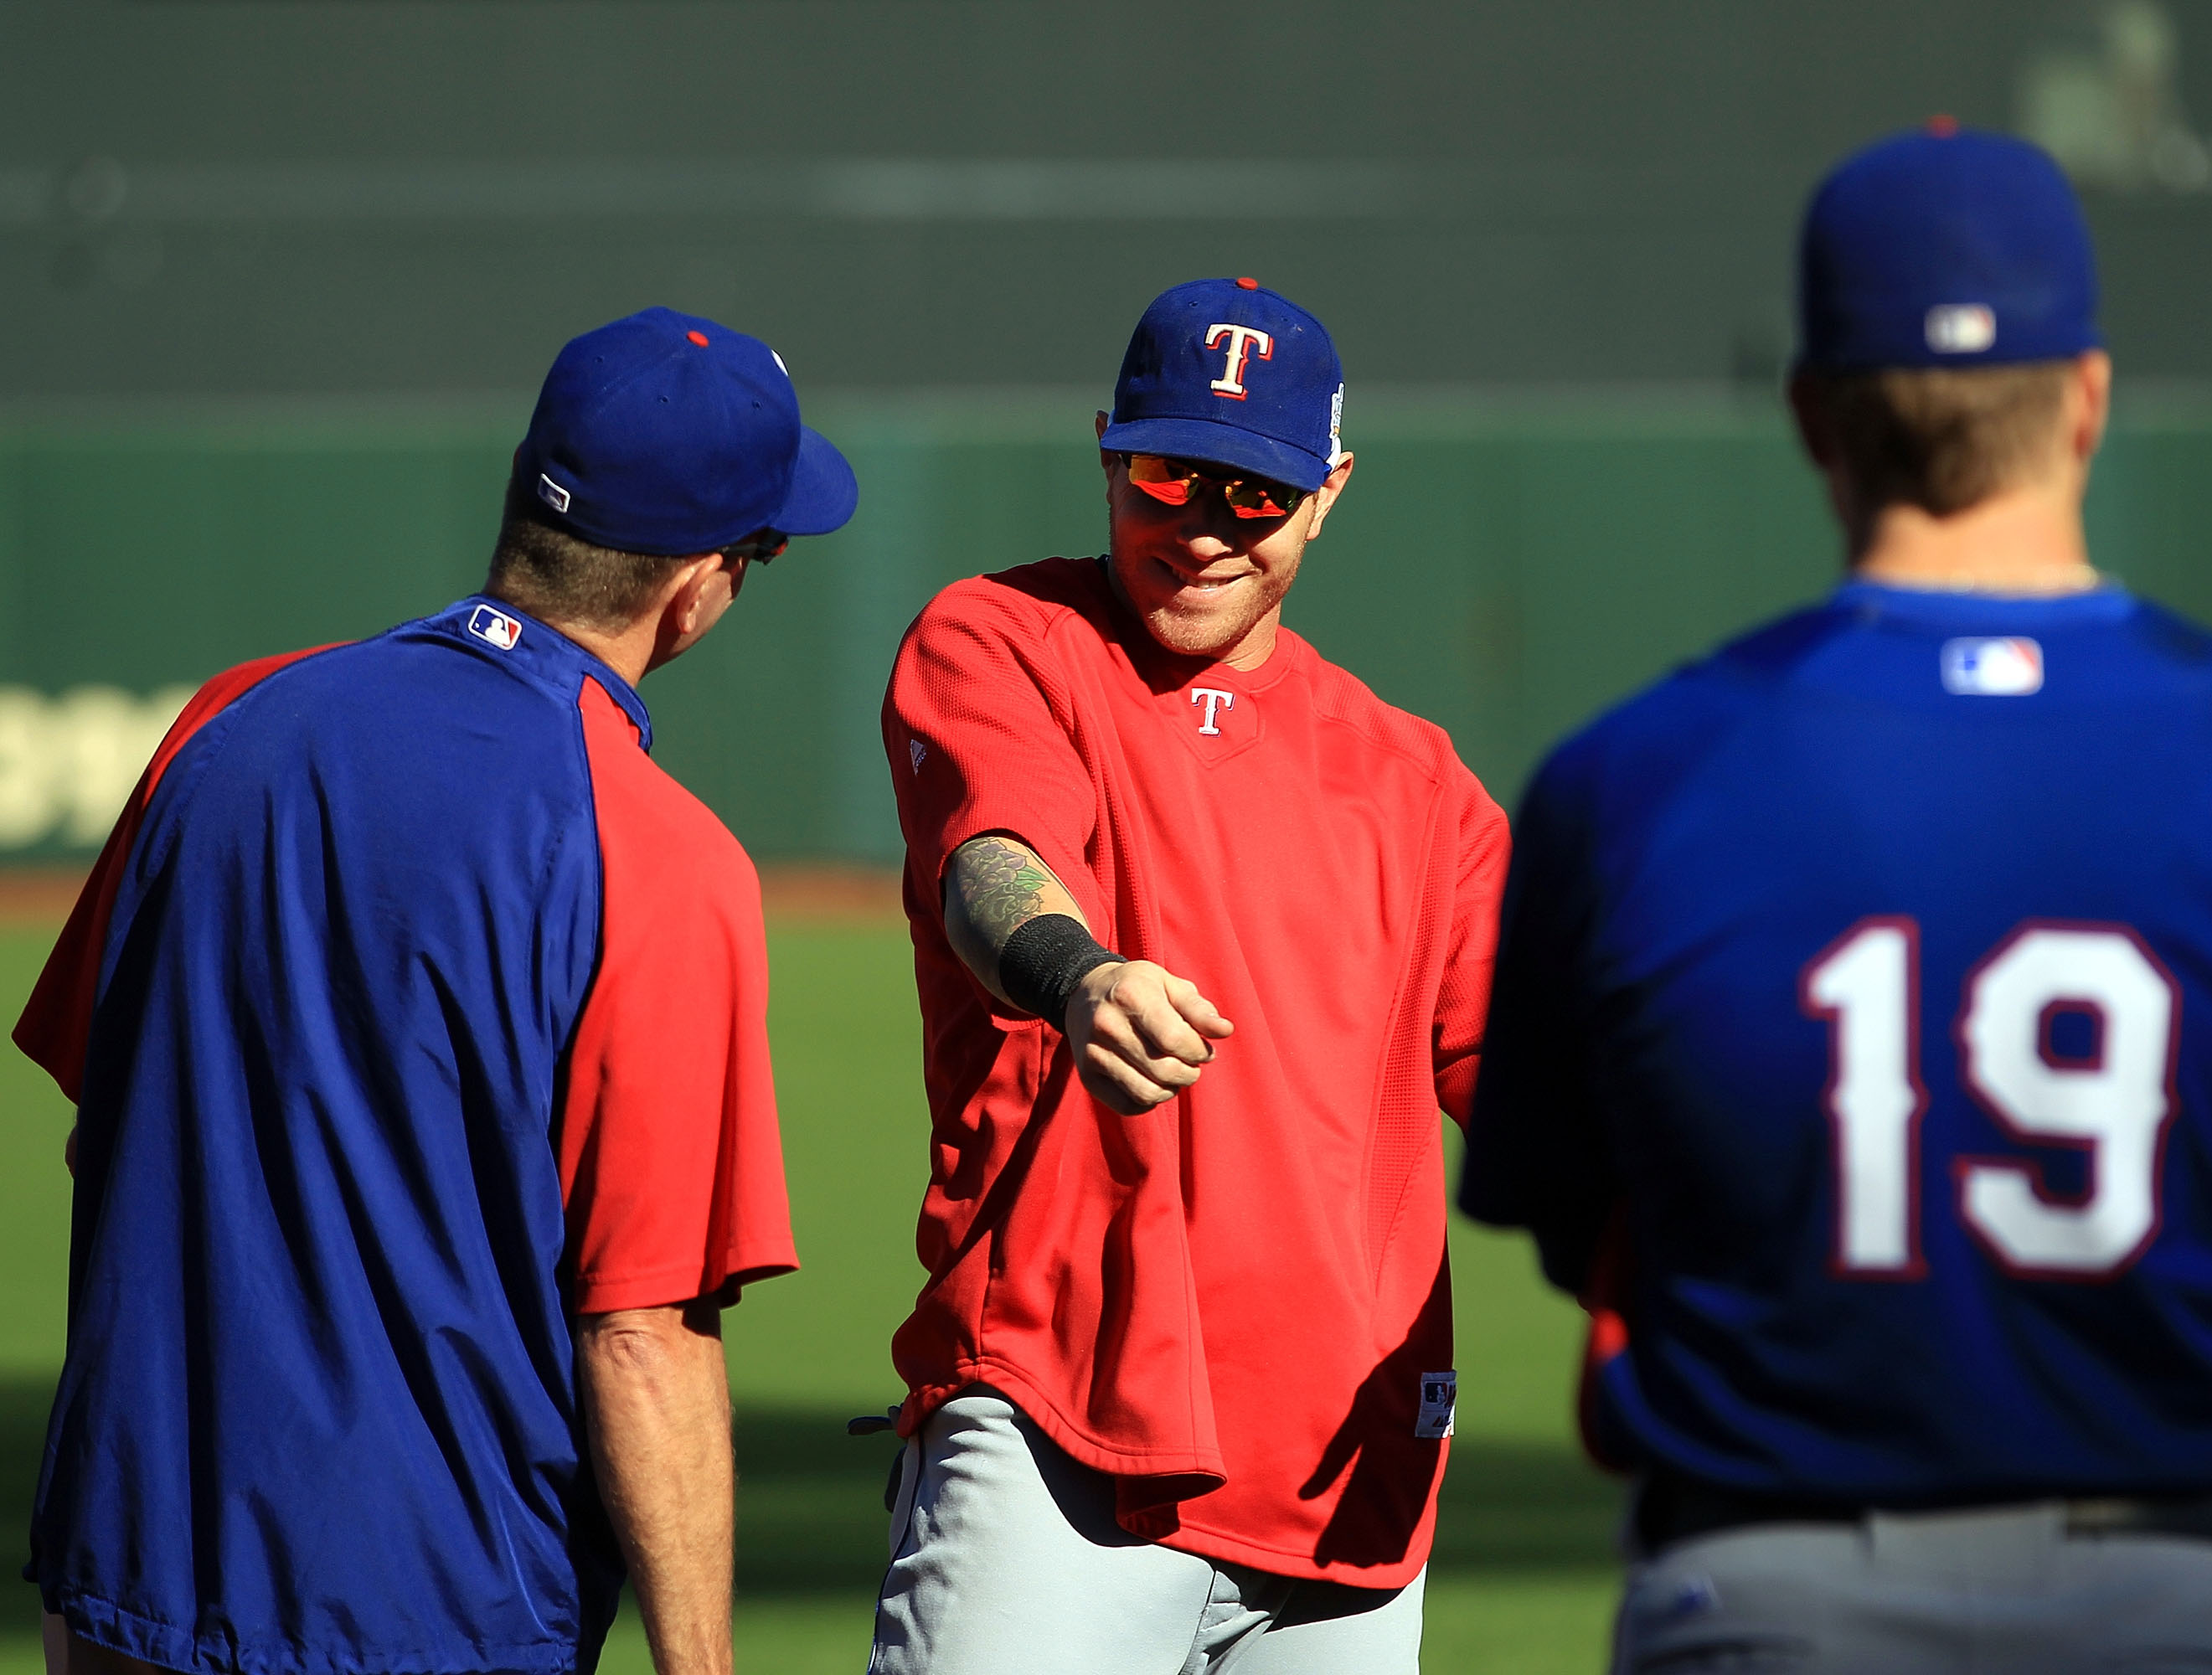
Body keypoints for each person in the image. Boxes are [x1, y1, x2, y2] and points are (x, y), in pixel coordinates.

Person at [1461, 127, 2212, 1675]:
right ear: (2088, 397)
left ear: (1813, 415)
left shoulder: (1629, 779)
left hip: (1765, 1593)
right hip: (2170, 1598)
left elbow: (1575, 1221)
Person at [13, 306, 854, 1675]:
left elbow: (100, 1121)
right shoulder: (654, 851)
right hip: (428, 1613)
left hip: (125, 1580)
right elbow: (642, 1332)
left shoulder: (226, 715)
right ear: (700, 580)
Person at [870, 276, 1509, 1672]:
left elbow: (1539, 1082)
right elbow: (992, 858)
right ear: (1108, 450)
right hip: (1058, 1440)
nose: (1206, 528)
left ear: (1331, 491)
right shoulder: (1008, 640)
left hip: (1348, 1493)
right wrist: (1076, 973)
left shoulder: (1420, 784)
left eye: (1257, 495)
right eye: (1169, 476)